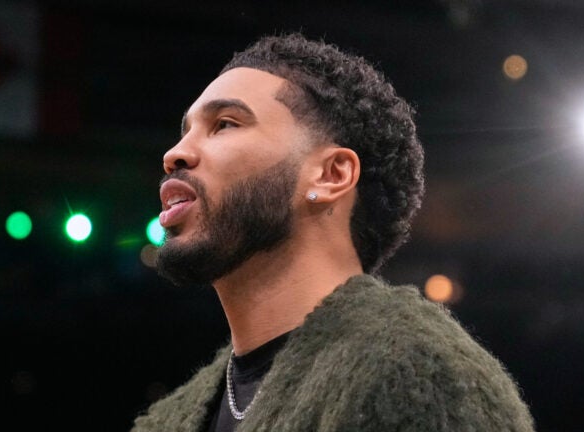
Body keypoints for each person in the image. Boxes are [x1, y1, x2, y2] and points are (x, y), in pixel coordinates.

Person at [131, 33, 534, 432]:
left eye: (224, 124)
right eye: (185, 130)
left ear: (331, 175)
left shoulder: (417, 374)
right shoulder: (170, 418)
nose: (175, 154)